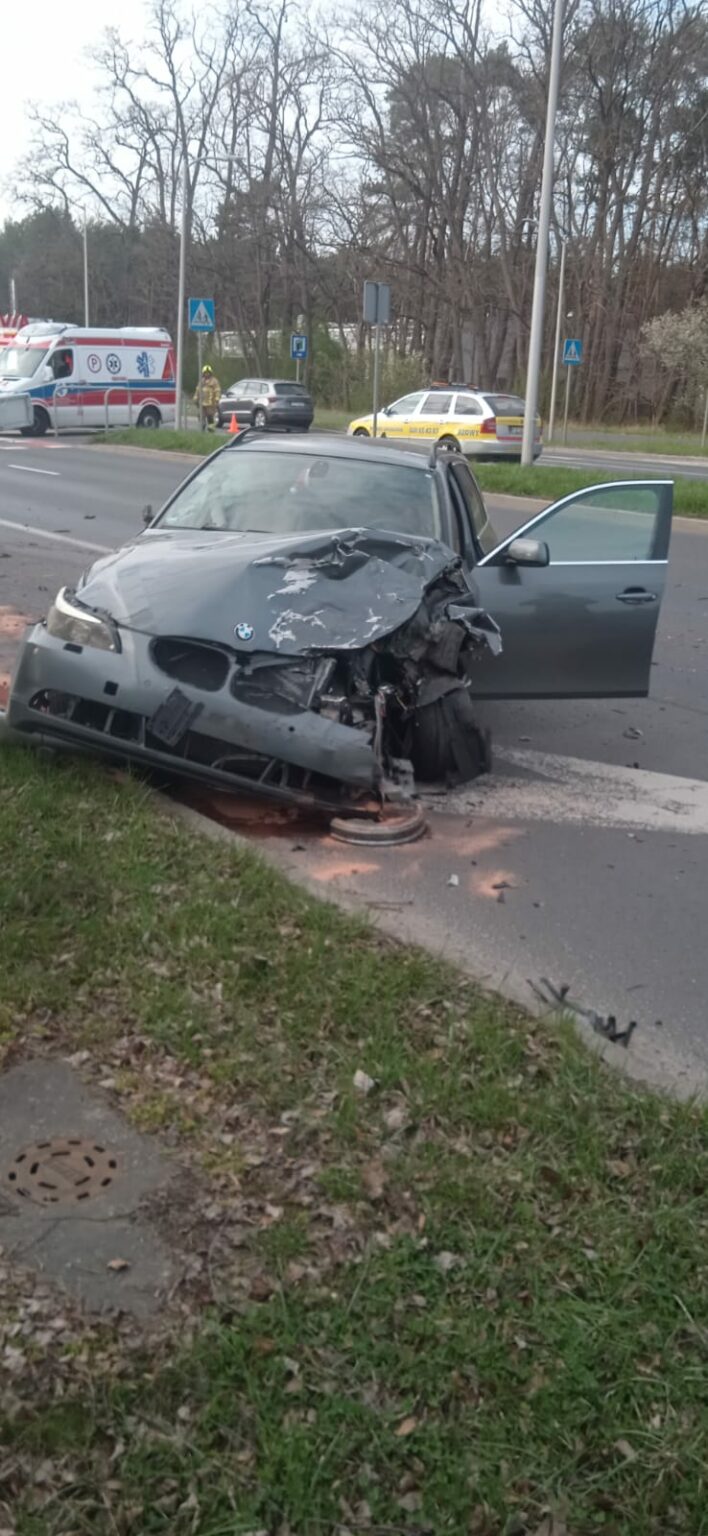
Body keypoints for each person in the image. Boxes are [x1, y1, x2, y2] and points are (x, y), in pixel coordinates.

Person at [194, 364, 221, 431]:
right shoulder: (201, 381)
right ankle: (202, 428)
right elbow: (197, 390)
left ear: (210, 373)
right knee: (201, 416)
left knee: (210, 416)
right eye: (205, 373)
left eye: (208, 373)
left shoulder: (214, 381)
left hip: (210, 403)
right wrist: (195, 398)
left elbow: (217, 390)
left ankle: (211, 429)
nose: (206, 374)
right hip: (202, 403)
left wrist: (217, 399)